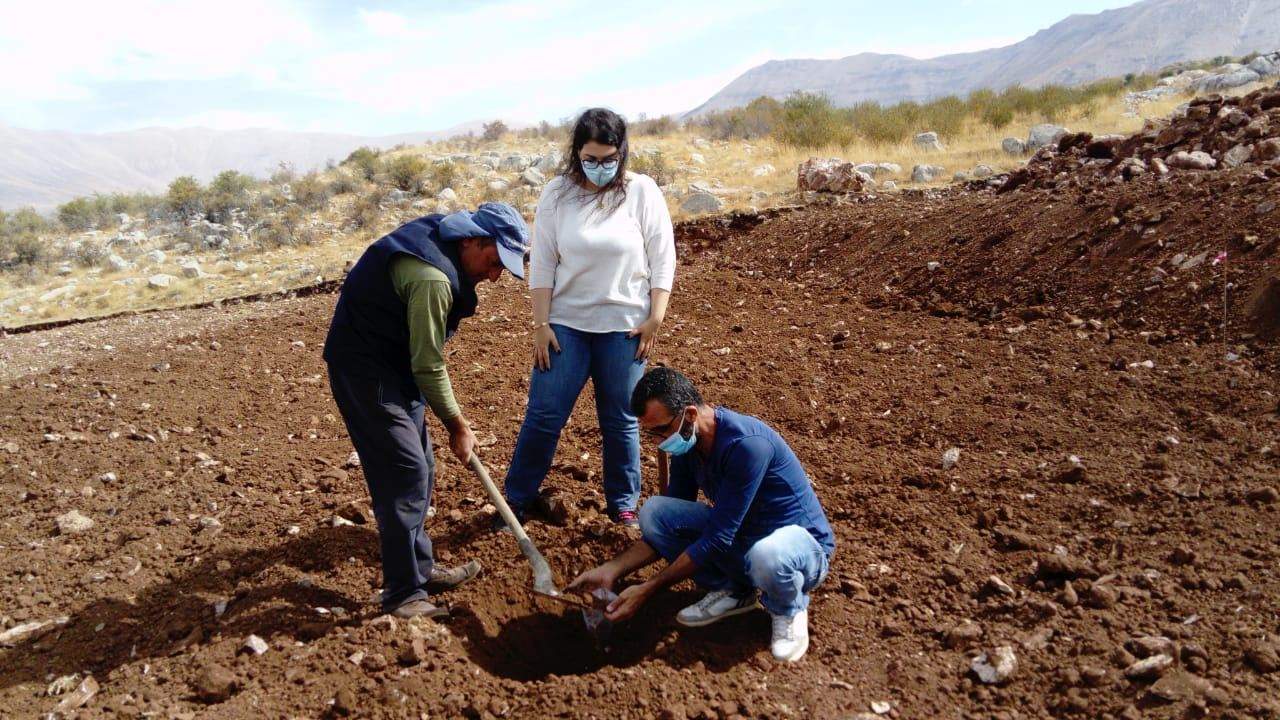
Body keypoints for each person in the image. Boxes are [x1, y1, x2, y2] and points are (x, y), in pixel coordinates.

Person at [323, 203, 530, 619]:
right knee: (404, 474)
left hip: (394, 364)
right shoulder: (433, 279)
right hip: (366, 371)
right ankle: (402, 595)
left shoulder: (446, 238)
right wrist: (457, 423)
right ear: (472, 241)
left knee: (423, 467)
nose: (494, 276)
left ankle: (419, 568)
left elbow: (419, 362)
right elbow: (428, 363)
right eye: (493, 263)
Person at [567, 368, 836, 662]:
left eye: (661, 430)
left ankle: (789, 607)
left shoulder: (746, 446)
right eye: (650, 433)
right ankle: (735, 589)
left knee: (767, 555)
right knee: (657, 513)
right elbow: (670, 528)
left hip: (799, 550)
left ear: (690, 414)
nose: (658, 441)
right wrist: (613, 569)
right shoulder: (689, 445)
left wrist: (648, 588)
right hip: (744, 539)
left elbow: (718, 537)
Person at [498, 107, 676, 530]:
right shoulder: (557, 194)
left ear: (622, 152)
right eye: (590, 158)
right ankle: (516, 502)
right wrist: (540, 325)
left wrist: (656, 317)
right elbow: (542, 263)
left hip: (625, 327)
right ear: (576, 152)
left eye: (608, 158)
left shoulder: (642, 192)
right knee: (544, 414)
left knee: (620, 420)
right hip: (565, 326)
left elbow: (662, 256)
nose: (600, 167)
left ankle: (624, 505)